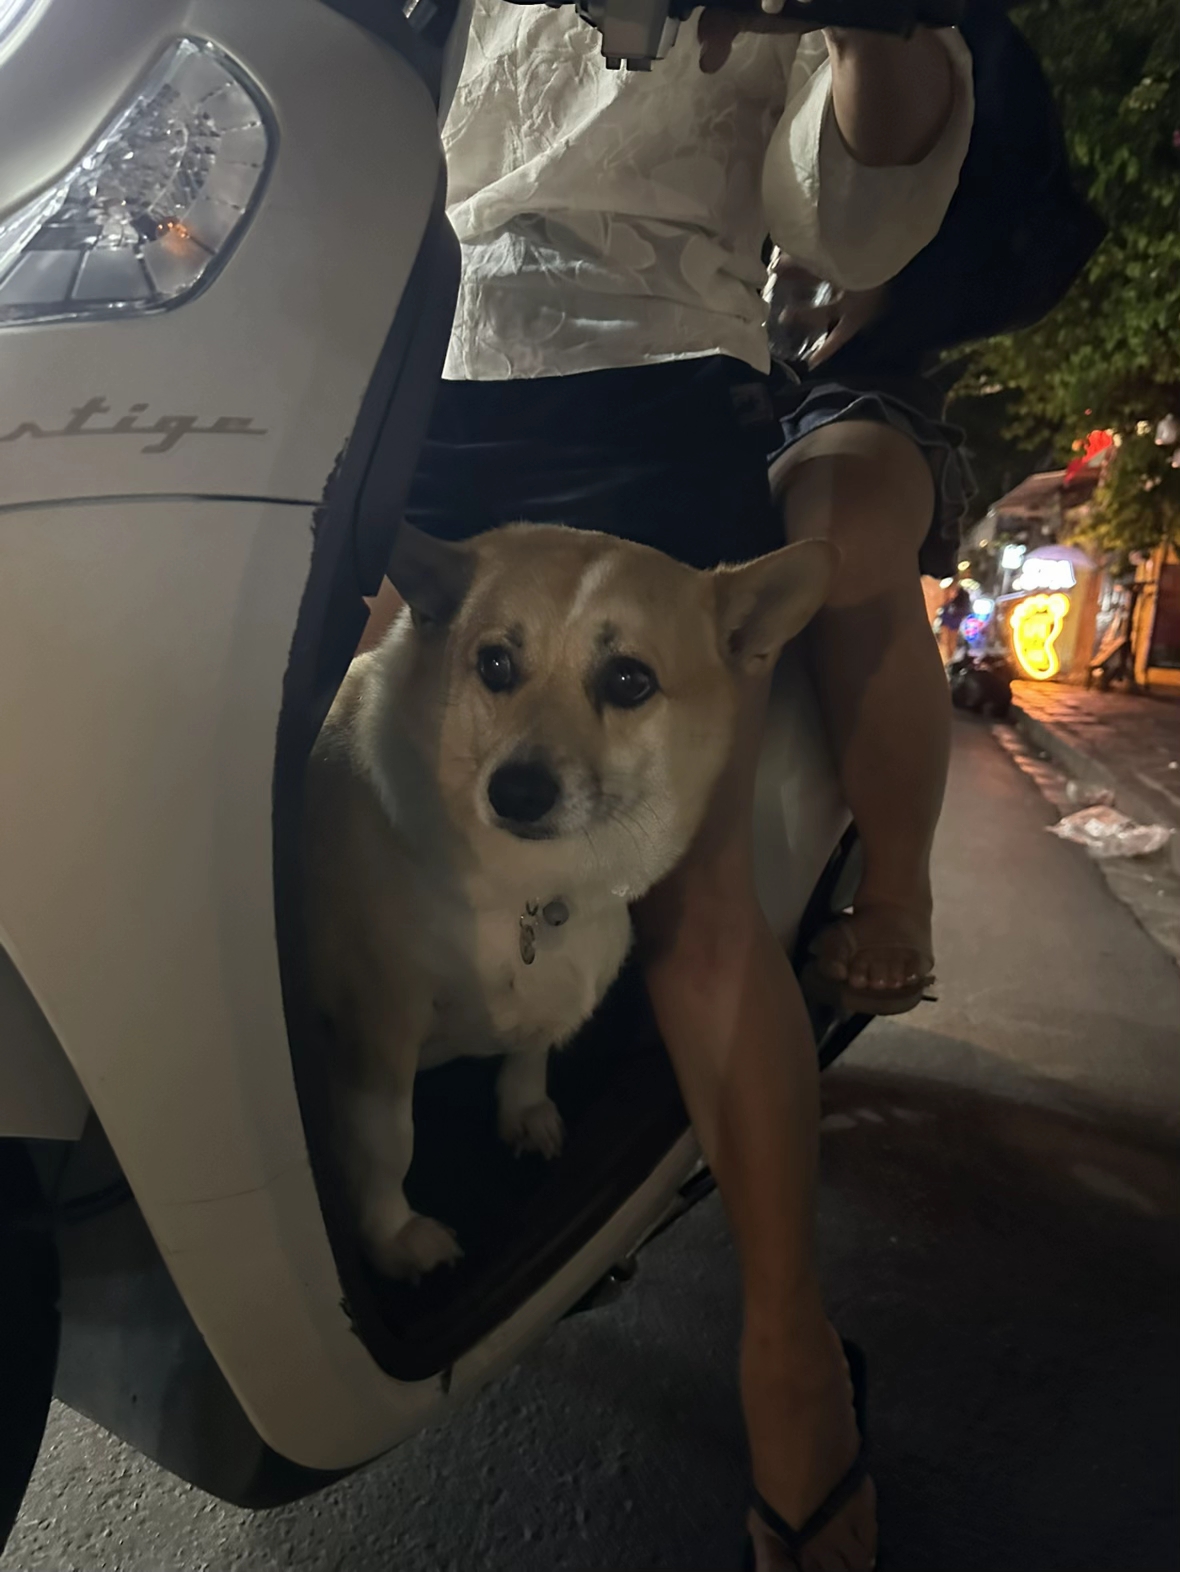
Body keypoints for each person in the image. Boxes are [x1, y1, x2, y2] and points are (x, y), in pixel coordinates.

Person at [364, 8, 975, 1569]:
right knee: (318, 805)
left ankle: (789, 1359)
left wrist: (875, 23)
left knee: (696, 914)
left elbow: (853, 219)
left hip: (649, 379)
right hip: (401, 377)